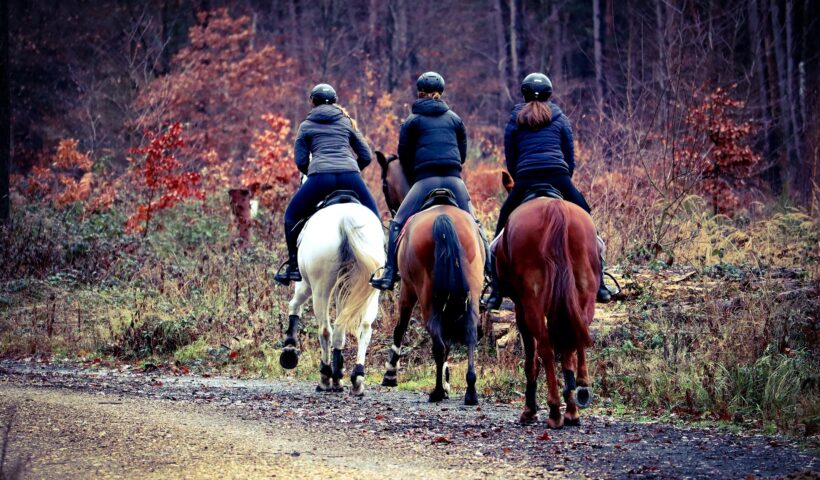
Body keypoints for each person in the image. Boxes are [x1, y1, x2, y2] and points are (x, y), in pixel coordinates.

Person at [483, 73, 611, 309]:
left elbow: (511, 159)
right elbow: (569, 157)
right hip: (559, 177)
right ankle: (600, 284)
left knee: (500, 228)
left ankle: (496, 291)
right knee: (588, 222)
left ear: (524, 93)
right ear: (550, 93)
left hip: (525, 179)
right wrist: (563, 180)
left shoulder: (514, 121)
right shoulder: (560, 119)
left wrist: (521, 176)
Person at [370, 72, 490, 291]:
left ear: (419, 93)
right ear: (441, 92)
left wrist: (418, 170)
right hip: (455, 181)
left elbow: (404, 157)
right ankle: (491, 276)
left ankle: (389, 273)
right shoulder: (455, 119)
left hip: (425, 180)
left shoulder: (411, 121)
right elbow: (462, 155)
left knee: (397, 223)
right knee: (476, 224)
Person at [274, 83, 380, 286]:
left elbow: (300, 161)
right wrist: (352, 170)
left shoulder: (306, 125)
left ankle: (294, 266)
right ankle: (383, 265)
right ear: (335, 102)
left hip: (320, 177)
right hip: (350, 176)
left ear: (312, 102)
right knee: (374, 217)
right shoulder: (346, 121)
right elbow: (366, 155)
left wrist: (313, 175)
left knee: (291, 215)